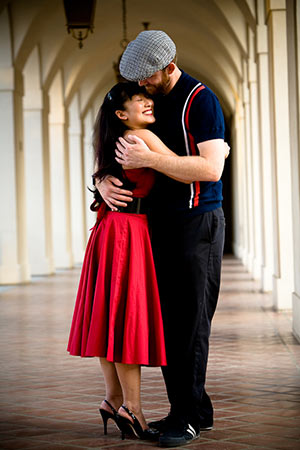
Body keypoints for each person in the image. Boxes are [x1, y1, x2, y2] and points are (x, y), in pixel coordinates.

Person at [98, 30, 227, 447]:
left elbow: (210, 170)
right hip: (158, 225)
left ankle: (186, 419)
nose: (141, 88)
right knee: (172, 322)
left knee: (189, 323)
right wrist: (101, 179)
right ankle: (196, 409)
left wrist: (149, 158)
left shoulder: (201, 100)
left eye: (147, 79)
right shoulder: (148, 103)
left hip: (198, 222)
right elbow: (116, 146)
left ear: (169, 67)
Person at [67, 81, 193, 441]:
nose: (147, 102)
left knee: (110, 317)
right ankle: (133, 409)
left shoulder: (110, 138)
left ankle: (113, 398)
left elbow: (105, 175)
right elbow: (179, 167)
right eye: (139, 100)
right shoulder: (143, 137)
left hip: (108, 228)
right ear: (123, 113)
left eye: (147, 97)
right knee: (123, 321)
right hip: (128, 231)